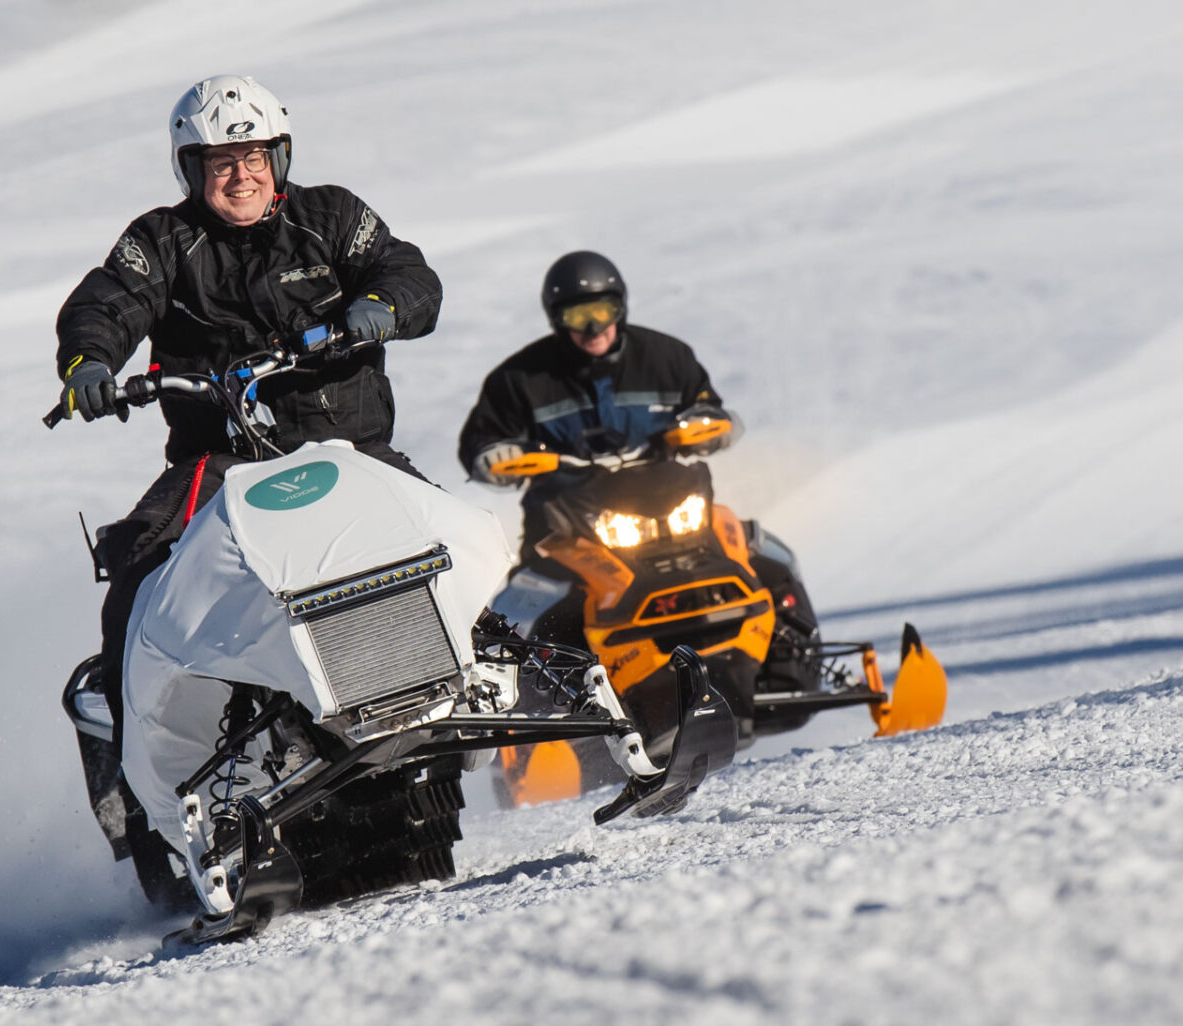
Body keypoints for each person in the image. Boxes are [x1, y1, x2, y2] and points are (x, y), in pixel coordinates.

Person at [54, 75, 442, 893]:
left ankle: (517, 670)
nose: (241, 174)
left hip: (345, 443)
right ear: (191, 169)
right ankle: (136, 782)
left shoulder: (331, 215)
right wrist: (90, 360)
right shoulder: (161, 240)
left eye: (255, 156)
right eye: (221, 160)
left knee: (441, 529)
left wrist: (381, 305)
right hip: (220, 460)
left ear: (281, 156)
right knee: (135, 575)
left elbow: (408, 272)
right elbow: (107, 300)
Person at [456, 250, 732, 557]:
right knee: (533, 596)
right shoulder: (519, 378)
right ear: (556, 318)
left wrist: (706, 427)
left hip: (667, 501)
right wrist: (493, 456)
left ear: (620, 309)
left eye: (602, 311)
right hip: (563, 518)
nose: (593, 328)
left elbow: (708, 408)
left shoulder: (667, 357)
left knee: (755, 558)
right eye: (578, 316)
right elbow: (479, 441)